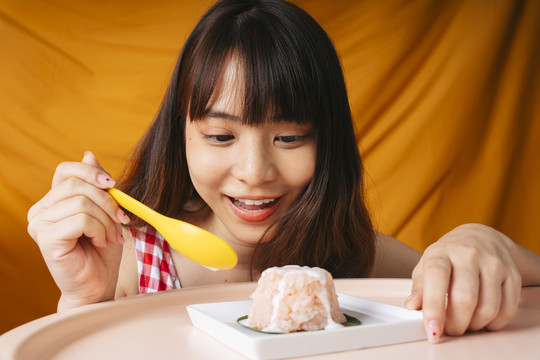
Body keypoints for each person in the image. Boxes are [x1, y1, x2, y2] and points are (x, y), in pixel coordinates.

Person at [27, 0, 540, 344]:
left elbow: (493, 282)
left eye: (290, 137)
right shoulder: (126, 259)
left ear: (329, 141)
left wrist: (484, 243)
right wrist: (80, 299)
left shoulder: (356, 255)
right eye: (221, 136)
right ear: (179, 135)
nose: (254, 172)